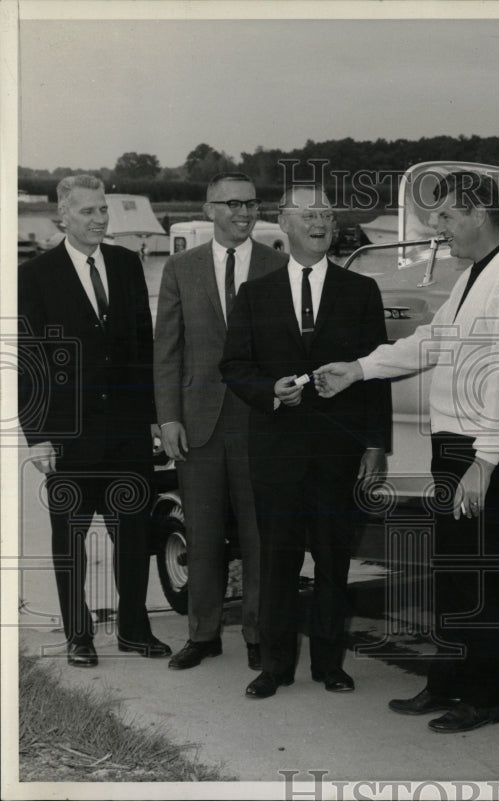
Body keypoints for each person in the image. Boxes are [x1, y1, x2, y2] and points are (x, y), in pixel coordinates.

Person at [313, 171, 499, 733]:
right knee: (454, 572)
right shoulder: (474, 278)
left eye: (445, 218)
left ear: (479, 215)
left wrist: (485, 465)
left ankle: (485, 699)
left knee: (481, 577)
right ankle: (447, 682)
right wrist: (358, 370)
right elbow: (429, 343)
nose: (438, 230)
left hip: (477, 452)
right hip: (456, 449)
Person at [219, 184, 391, 699]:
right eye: (309, 215)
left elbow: (376, 374)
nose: (321, 222)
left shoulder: (361, 292)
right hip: (275, 455)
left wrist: (375, 444)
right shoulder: (255, 295)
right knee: (276, 563)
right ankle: (274, 667)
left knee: (335, 564)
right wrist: (269, 391)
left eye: (328, 215)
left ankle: (329, 664)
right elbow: (233, 367)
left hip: (338, 456)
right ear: (285, 225)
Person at [18, 174, 171, 666]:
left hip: (127, 432)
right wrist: (39, 438)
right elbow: (29, 361)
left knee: (133, 534)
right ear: (62, 216)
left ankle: (134, 629)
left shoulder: (128, 266)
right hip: (68, 437)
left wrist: (153, 419)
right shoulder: (36, 275)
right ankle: (78, 635)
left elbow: (142, 349)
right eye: (88, 211)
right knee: (72, 539)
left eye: (103, 210)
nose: (100, 219)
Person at [154, 172, 288, 672]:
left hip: (260, 422)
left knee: (259, 535)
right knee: (204, 534)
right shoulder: (180, 269)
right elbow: (166, 350)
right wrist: (167, 418)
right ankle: (203, 634)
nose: (243, 213)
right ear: (209, 209)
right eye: (231, 204)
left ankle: (257, 632)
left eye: (251, 203)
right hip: (199, 423)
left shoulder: (279, 265)